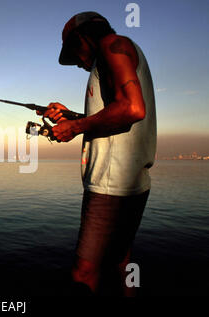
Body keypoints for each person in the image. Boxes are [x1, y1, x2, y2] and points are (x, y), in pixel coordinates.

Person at [39, 12, 157, 296]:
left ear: (83, 36)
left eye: (74, 51)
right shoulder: (126, 49)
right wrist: (71, 117)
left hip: (109, 185)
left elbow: (132, 109)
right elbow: (117, 113)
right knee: (121, 258)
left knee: (83, 273)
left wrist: (75, 127)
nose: (78, 63)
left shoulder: (111, 45)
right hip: (133, 183)